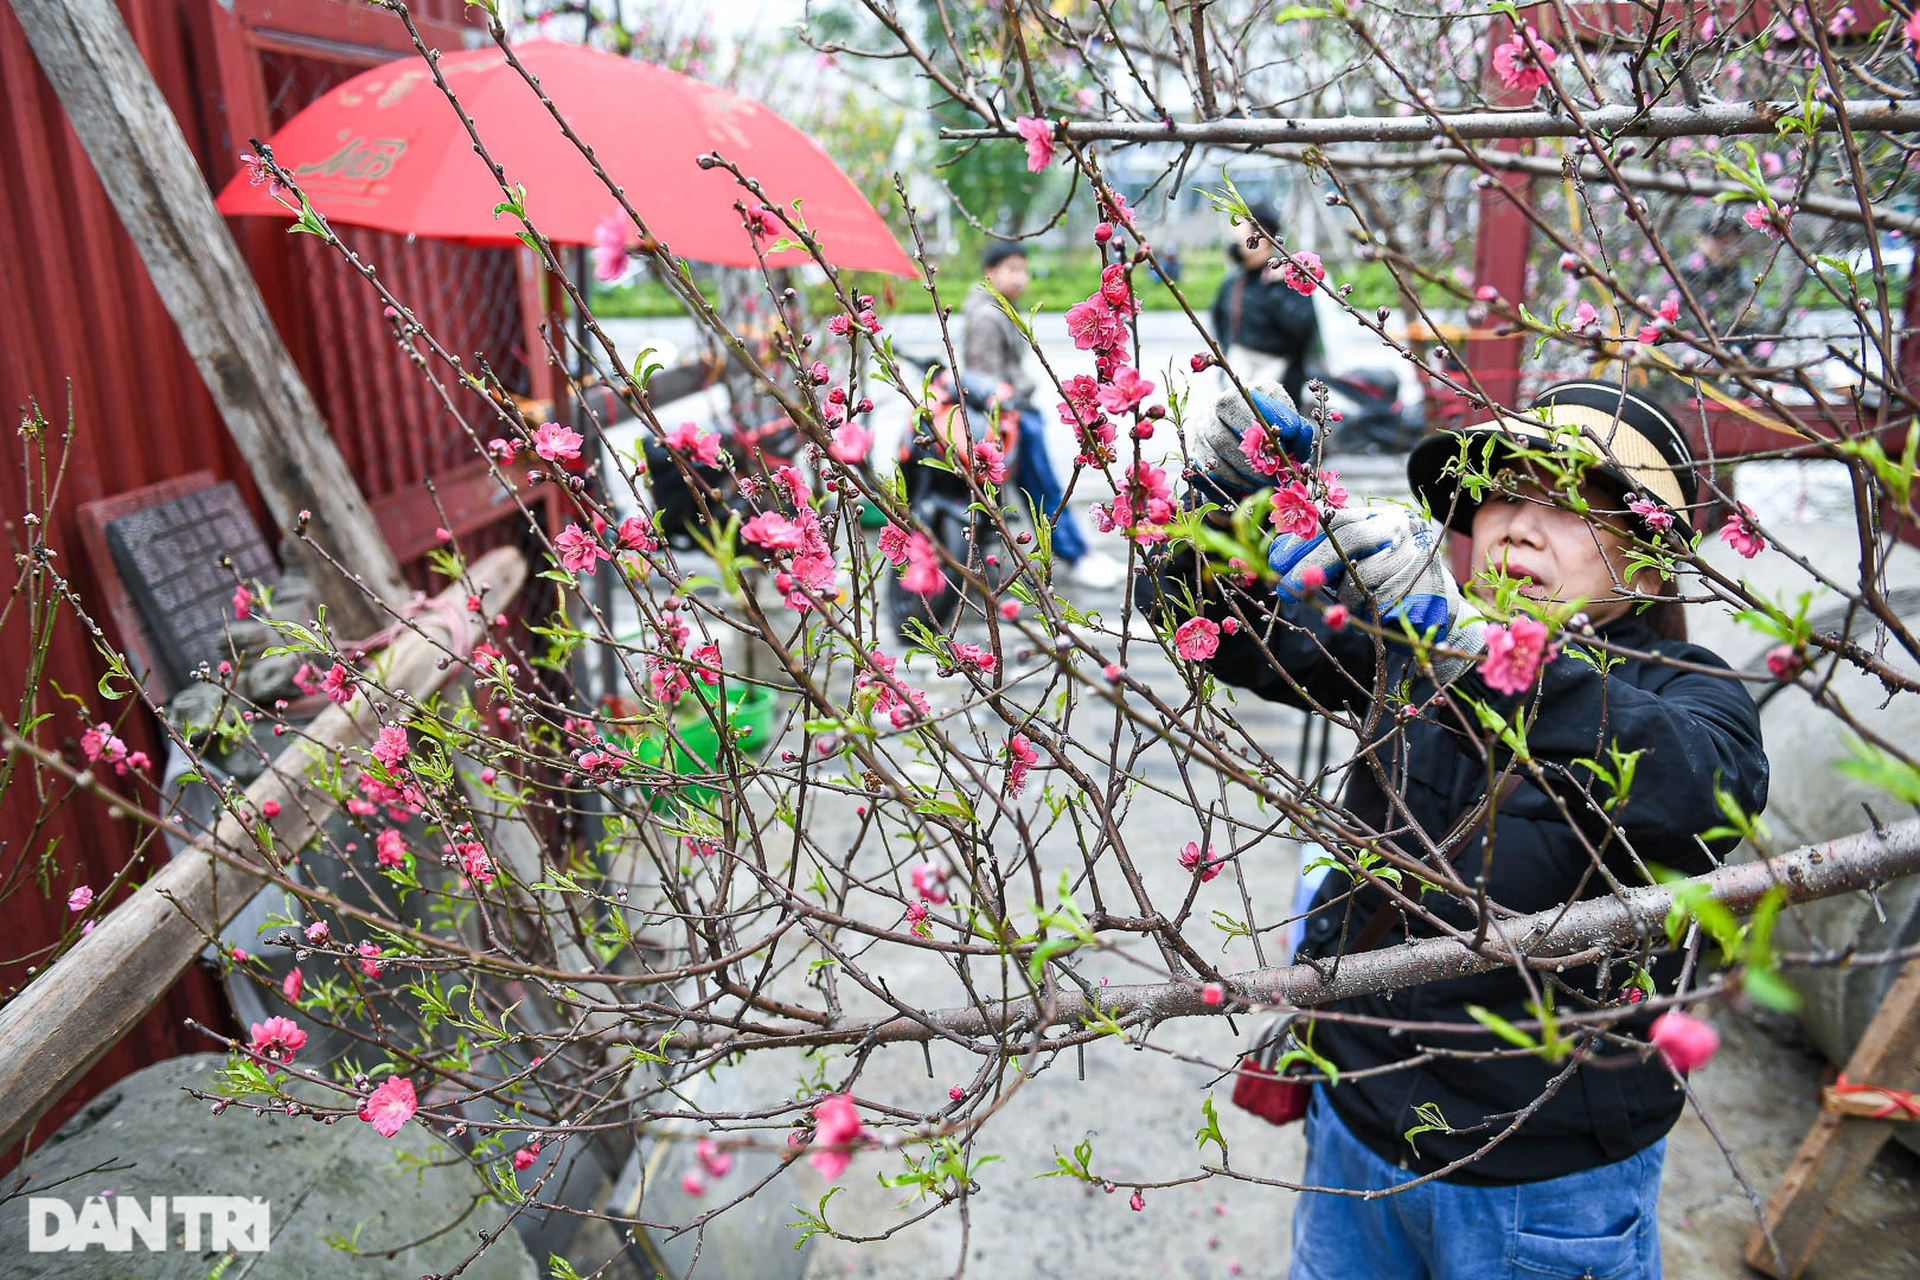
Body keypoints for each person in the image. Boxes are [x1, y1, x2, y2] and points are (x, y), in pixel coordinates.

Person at [1149, 379, 1769, 1279]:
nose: (1517, 526)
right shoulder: (1411, 651)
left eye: (1565, 504)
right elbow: (1216, 629)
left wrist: (1482, 652)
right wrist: (1225, 506)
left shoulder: (1689, 693)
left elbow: (1697, 790)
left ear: (1645, 561)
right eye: (1502, 496)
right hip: (1358, 1123)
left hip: (1543, 1175)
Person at [961, 242, 1124, 590]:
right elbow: (983, 379)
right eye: (1012, 270)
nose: (1021, 278)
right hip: (1008, 416)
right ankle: (1075, 554)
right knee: (1044, 489)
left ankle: (1077, 550)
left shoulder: (998, 308)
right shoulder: (987, 317)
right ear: (989, 273)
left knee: (1042, 489)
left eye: (1023, 269)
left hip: (1013, 411)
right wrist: (1014, 406)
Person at [1208, 202, 1321, 406]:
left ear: (1261, 236)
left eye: (1240, 237)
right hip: (1238, 371)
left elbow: (1303, 328)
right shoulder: (1233, 282)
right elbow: (1219, 321)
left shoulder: (1290, 278)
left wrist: (1274, 291)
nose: (1236, 245)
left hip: (1280, 380)